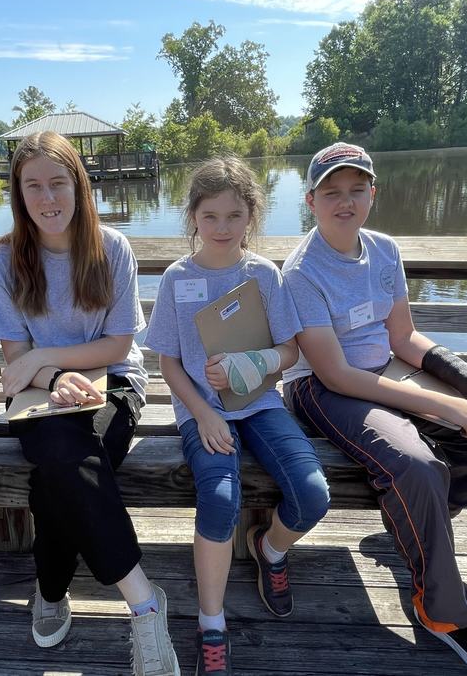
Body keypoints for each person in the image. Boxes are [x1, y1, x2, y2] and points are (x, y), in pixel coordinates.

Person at [281, 142, 467, 676]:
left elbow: (403, 337)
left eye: (357, 190)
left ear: (373, 194)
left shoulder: (384, 249)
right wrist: (438, 403)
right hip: (323, 389)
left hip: (386, 369)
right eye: (332, 193)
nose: (345, 202)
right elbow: (335, 374)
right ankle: (443, 612)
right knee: (417, 464)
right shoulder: (302, 271)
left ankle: (419, 524)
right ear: (311, 200)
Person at [0, 131, 179, 676]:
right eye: (33, 186)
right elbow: (16, 358)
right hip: (37, 390)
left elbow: (118, 346)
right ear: (18, 194)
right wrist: (52, 373)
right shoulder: (4, 261)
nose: (48, 198)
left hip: (114, 383)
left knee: (59, 474)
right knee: (60, 450)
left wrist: (52, 361)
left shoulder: (112, 248)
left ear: (80, 185)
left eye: (58, 183)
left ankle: (50, 589)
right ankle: (144, 602)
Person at [145, 157, 330, 676]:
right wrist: (203, 413)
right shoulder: (178, 277)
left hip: (262, 405)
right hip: (202, 414)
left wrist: (256, 363)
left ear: (251, 215)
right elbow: (167, 361)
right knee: (220, 499)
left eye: (234, 215)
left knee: (313, 493)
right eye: (210, 217)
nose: (223, 228)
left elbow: (290, 352)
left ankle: (269, 550)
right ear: (193, 218)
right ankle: (212, 623)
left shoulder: (264, 275)